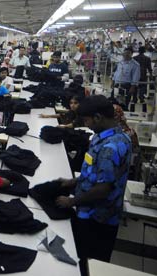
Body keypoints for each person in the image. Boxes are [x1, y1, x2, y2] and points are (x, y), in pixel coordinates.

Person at [55, 95, 132, 276]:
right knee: (78, 259)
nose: (86, 124)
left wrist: (71, 202)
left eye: (87, 120)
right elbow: (94, 172)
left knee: (90, 266)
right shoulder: (100, 137)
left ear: (98, 117)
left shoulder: (112, 146)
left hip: (99, 219)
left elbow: (102, 189)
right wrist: (73, 182)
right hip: (86, 212)